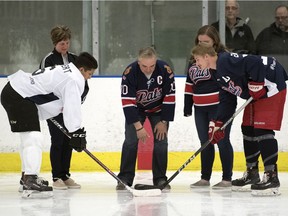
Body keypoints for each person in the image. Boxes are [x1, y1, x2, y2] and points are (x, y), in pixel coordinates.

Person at [191, 43, 287, 196]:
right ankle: (252, 173)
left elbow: (254, 62)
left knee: (262, 128)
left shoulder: (225, 60)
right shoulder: (216, 73)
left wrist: (257, 83)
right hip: (258, 92)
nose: (196, 64)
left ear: (206, 57)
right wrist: (219, 124)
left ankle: (271, 176)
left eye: (197, 60)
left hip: (272, 85)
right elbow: (227, 100)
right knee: (248, 128)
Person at [1, 52, 98, 198]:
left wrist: (74, 131)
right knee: (34, 138)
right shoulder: (73, 78)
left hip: (16, 91)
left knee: (28, 138)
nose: (90, 77)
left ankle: (26, 178)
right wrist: (76, 131)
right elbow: (72, 107)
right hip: (19, 94)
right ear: (82, 69)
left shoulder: (66, 71)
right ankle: (30, 179)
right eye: (89, 73)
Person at [117, 47, 176, 190]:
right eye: (144, 66)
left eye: (152, 66)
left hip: (159, 111)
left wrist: (164, 121)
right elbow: (127, 102)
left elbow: (170, 97)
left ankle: (160, 178)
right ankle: (125, 177)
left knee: (161, 142)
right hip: (137, 110)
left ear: (156, 61)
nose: (148, 69)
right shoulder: (130, 72)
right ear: (138, 62)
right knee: (131, 140)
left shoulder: (165, 69)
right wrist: (138, 127)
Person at [38, 25, 88, 190]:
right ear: (54, 43)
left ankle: (65, 175)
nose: (65, 46)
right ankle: (56, 176)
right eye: (61, 43)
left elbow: (82, 82)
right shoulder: (48, 60)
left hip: (69, 108)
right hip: (54, 108)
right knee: (58, 140)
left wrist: (76, 101)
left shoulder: (75, 59)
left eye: (67, 42)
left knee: (70, 140)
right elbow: (44, 86)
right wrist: (57, 104)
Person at [184, 25, 234, 189]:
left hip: (219, 107)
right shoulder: (194, 58)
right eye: (200, 41)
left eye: (206, 41)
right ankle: (205, 178)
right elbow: (189, 83)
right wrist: (188, 104)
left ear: (215, 42)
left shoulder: (222, 58)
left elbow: (228, 85)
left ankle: (227, 178)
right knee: (205, 141)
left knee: (221, 140)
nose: (202, 44)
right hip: (200, 108)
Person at [255, 5, 288, 72]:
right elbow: (253, 54)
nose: (280, 20)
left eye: (283, 17)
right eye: (277, 18)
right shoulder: (265, 34)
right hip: (269, 74)